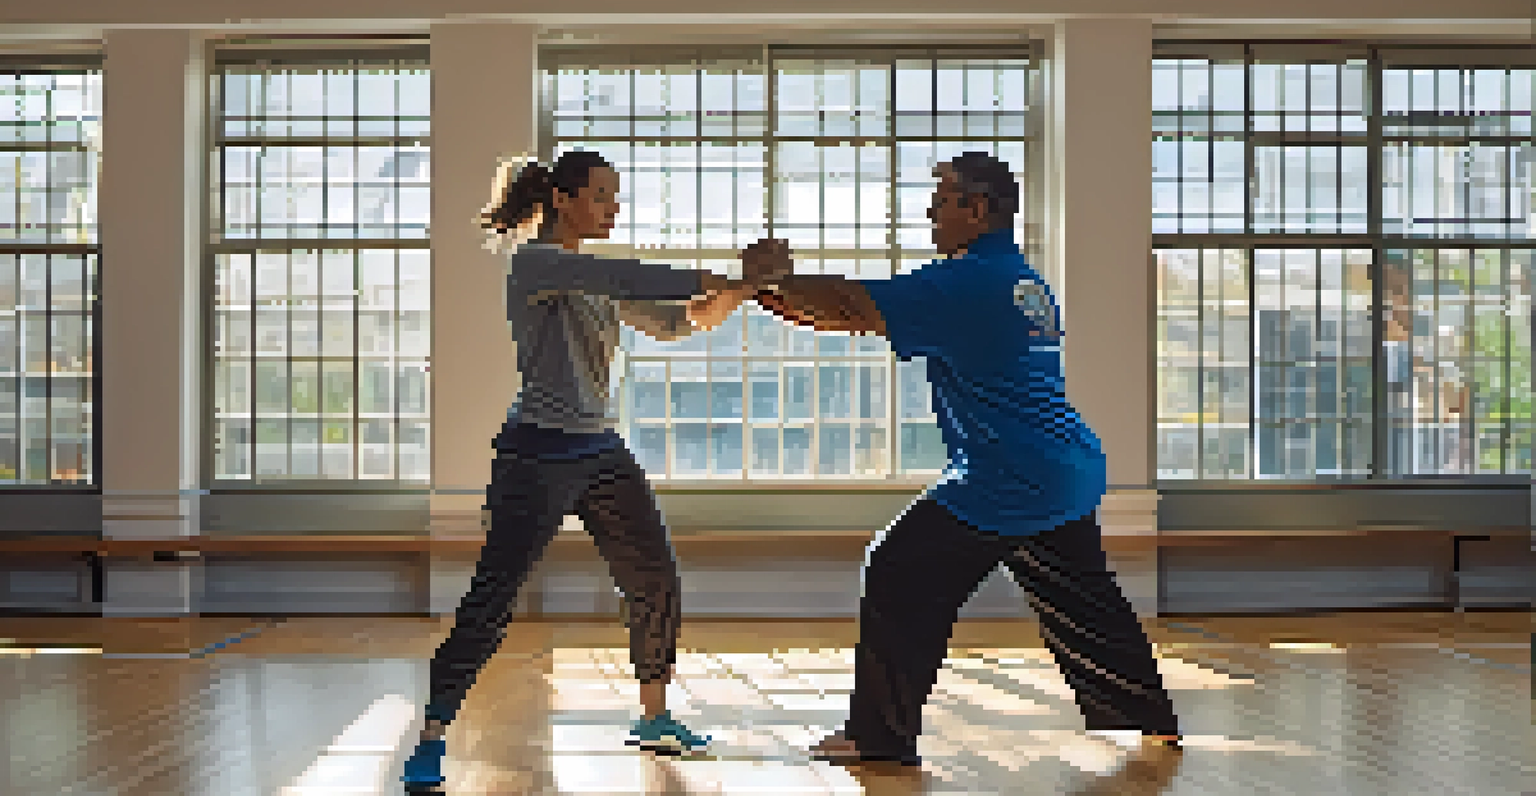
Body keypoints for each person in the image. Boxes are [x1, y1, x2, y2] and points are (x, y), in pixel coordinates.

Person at [740, 151, 1182, 768]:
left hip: (1011, 474)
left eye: (941, 198)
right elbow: (858, 319)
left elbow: (849, 303)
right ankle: (1152, 718)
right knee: (1084, 596)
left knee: (897, 566)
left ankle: (879, 738)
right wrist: (777, 296)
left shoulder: (967, 282)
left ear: (975, 209)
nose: (930, 210)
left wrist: (770, 280)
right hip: (1063, 466)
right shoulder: (1017, 278)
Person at [401, 150, 764, 793]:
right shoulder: (538, 264)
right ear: (563, 199)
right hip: (536, 452)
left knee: (654, 578)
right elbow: (629, 279)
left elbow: (680, 322)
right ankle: (431, 735)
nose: (613, 208)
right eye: (602, 197)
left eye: (614, 198)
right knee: (494, 595)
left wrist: (744, 291)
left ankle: (654, 718)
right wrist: (722, 272)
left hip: (599, 451)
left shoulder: (594, 283)